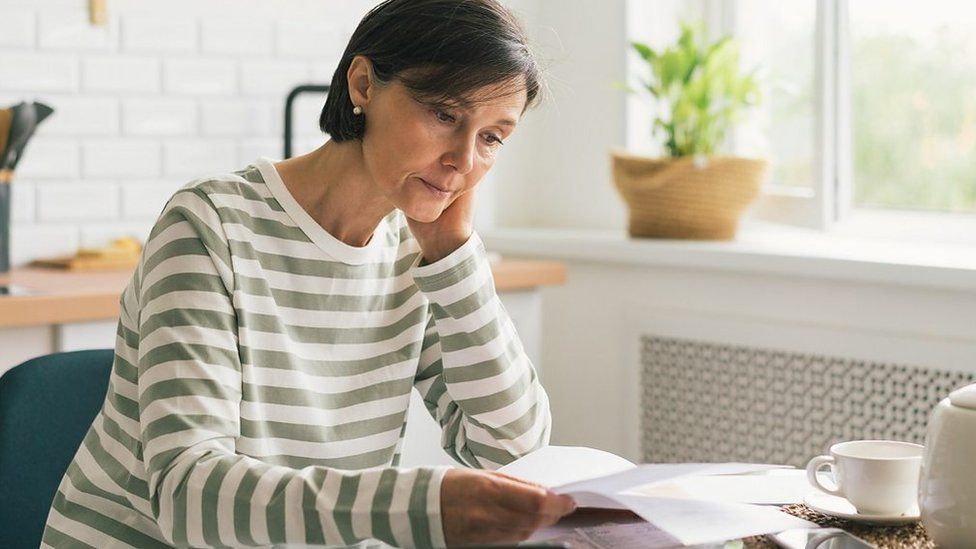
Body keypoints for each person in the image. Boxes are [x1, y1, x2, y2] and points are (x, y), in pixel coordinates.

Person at [41, 0, 576, 547]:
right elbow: (189, 498)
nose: (464, 160)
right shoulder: (210, 226)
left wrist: (455, 257)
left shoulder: (417, 259)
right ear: (363, 84)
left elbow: (514, 453)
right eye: (445, 114)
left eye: (492, 137)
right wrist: (415, 506)